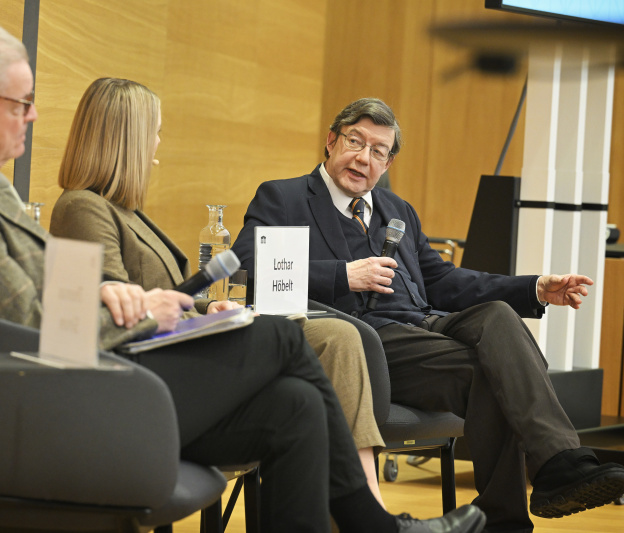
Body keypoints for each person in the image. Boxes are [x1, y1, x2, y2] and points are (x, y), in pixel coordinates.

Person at [0, 26, 485, 533]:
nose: (33, 114)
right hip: (93, 394)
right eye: (20, 102)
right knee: (281, 338)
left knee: (297, 402)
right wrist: (146, 305)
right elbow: (44, 327)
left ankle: (369, 523)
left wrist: (108, 290)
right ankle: (373, 525)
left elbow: (40, 302)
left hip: (104, 378)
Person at [231, 97, 624, 532]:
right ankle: (516, 514)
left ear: (388, 163)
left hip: (426, 326)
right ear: (330, 141)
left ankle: (558, 464)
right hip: (365, 343)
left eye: (378, 151)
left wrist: (534, 288)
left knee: (496, 314)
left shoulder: (398, 211)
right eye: (354, 141)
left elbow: (446, 282)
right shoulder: (284, 197)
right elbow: (249, 266)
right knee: (493, 377)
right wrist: (344, 276)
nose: (363, 157)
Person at [49, 76, 389, 508]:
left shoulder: (123, 211)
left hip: (190, 345)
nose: (157, 144)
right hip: (156, 371)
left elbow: (168, 292)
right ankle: (365, 507)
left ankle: (360, 504)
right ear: (129, 140)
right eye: (154, 132)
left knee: (327, 356)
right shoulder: (81, 207)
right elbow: (120, 309)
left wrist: (213, 306)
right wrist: (202, 318)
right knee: (315, 341)